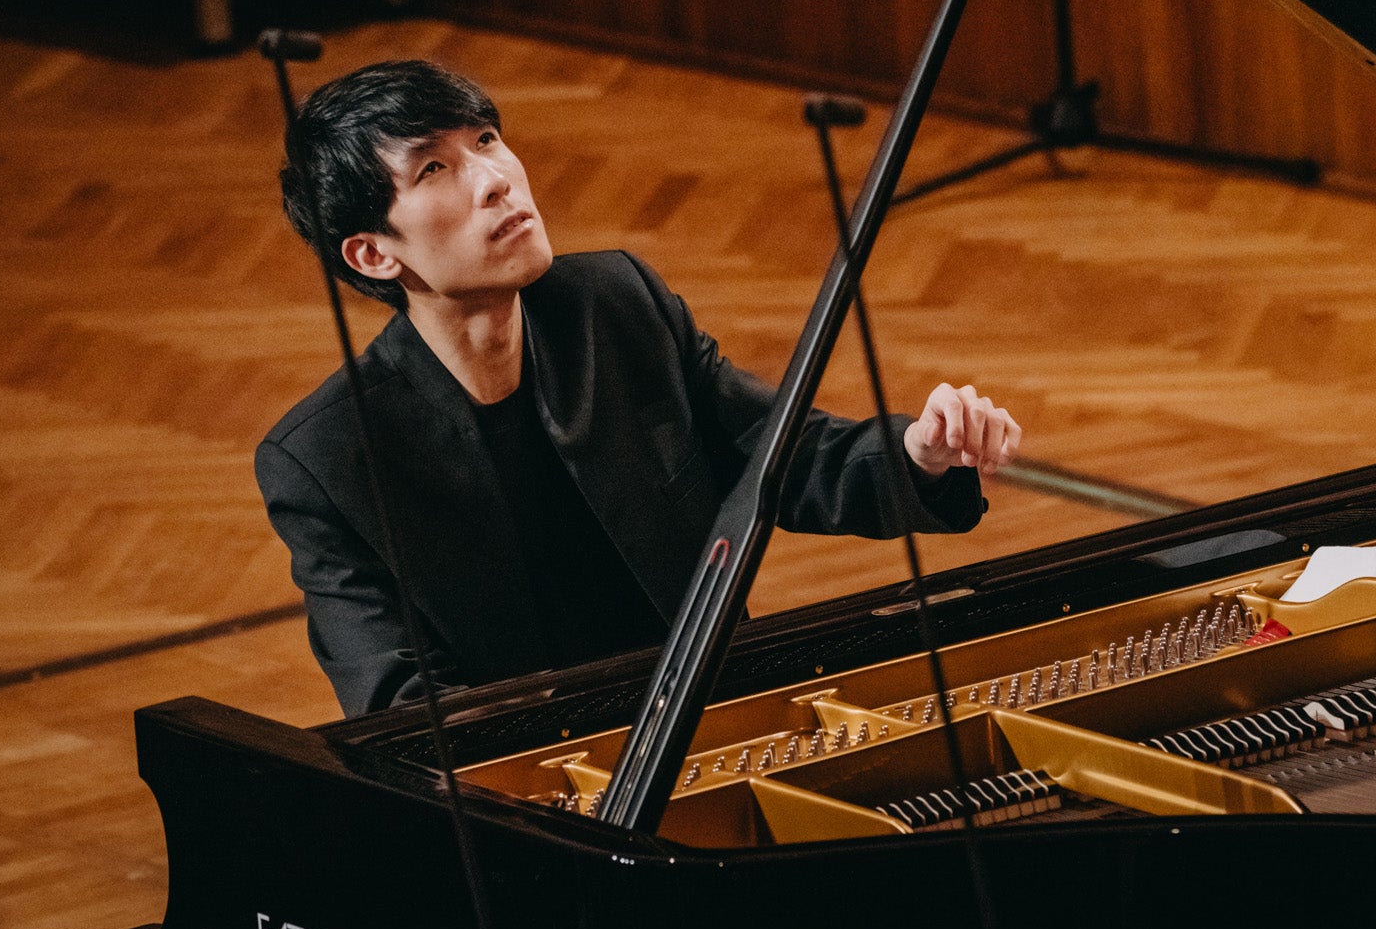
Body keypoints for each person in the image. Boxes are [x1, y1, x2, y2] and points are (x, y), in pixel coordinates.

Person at [257, 60, 1024, 716]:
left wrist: (919, 452)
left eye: (487, 140)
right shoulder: (327, 460)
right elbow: (400, 709)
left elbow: (780, 459)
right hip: (540, 797)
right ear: (371, 253)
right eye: (434, 167)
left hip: (716, 720)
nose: (495, 179)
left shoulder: (615, 305)